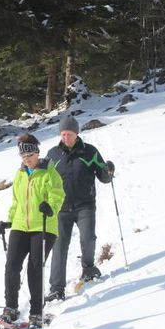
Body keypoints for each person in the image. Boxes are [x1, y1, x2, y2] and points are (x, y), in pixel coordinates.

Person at [0, 133, 65, 329]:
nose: (27, 160)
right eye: (23, 157)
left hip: (43, 225)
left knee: (35, 268)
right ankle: (10, 308)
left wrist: (50, 206)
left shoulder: (49, 172)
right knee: (11, 266)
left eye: (30, 156)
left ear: (37, 153)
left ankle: (36, 312)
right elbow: (17, 202)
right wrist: (8, 222)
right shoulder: (20, 174)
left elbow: (58, 195)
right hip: (20, 225)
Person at [45, 115, 115, 302]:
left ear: (76, 134)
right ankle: (56, 288)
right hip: (61, 208)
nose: (66, 137)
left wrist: (108, 171)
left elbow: (103, 177)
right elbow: (44, 179)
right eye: (63, 134)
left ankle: (88, 268)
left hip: (85, 205)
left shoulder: (89, 152)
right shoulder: (53, 154)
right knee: (59, 246)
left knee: (88, 238)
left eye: (69, 134)